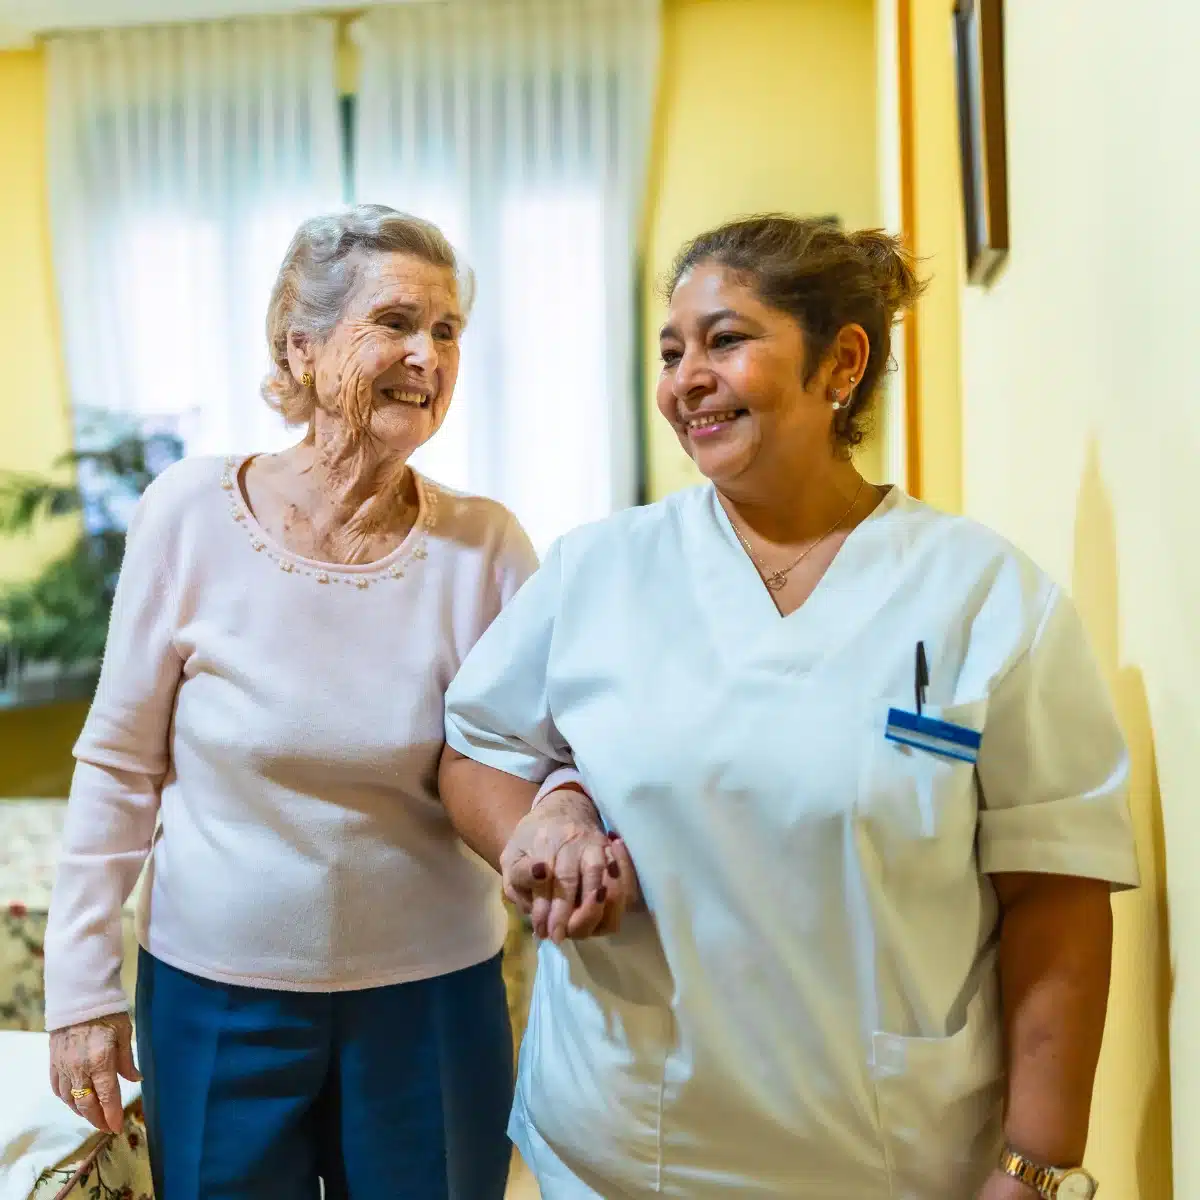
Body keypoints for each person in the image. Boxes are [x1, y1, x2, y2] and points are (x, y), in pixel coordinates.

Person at [438, 216, 1140, 1200]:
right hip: (626, 1147)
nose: (686, 378)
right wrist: (542, 827)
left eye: (726, 340)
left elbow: (1055, 892)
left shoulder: (983, 595)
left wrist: (1035, 1163)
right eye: (672, 350)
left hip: (890, 1163)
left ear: (840, 362)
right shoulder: (600, 569)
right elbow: (474, 751)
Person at [43, 205, 535, 1199]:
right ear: (299, 348)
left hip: (432, 1001)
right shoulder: (189, 514)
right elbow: (121, 766)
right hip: (216, 997)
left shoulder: (486, 547)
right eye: (395, 322)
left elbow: (538, 757)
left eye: (447, 333)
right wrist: (80, 989)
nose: (427, 356)